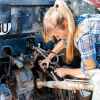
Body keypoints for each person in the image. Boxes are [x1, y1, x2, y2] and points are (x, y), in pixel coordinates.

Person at [40, 0, 100, 100]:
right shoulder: (75, 23)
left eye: (57, 35)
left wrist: (66, 71)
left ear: (65, 24)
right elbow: (64, 42)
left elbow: (90, 72)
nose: (58, 38)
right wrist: (48, 58)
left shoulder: (83, 35)